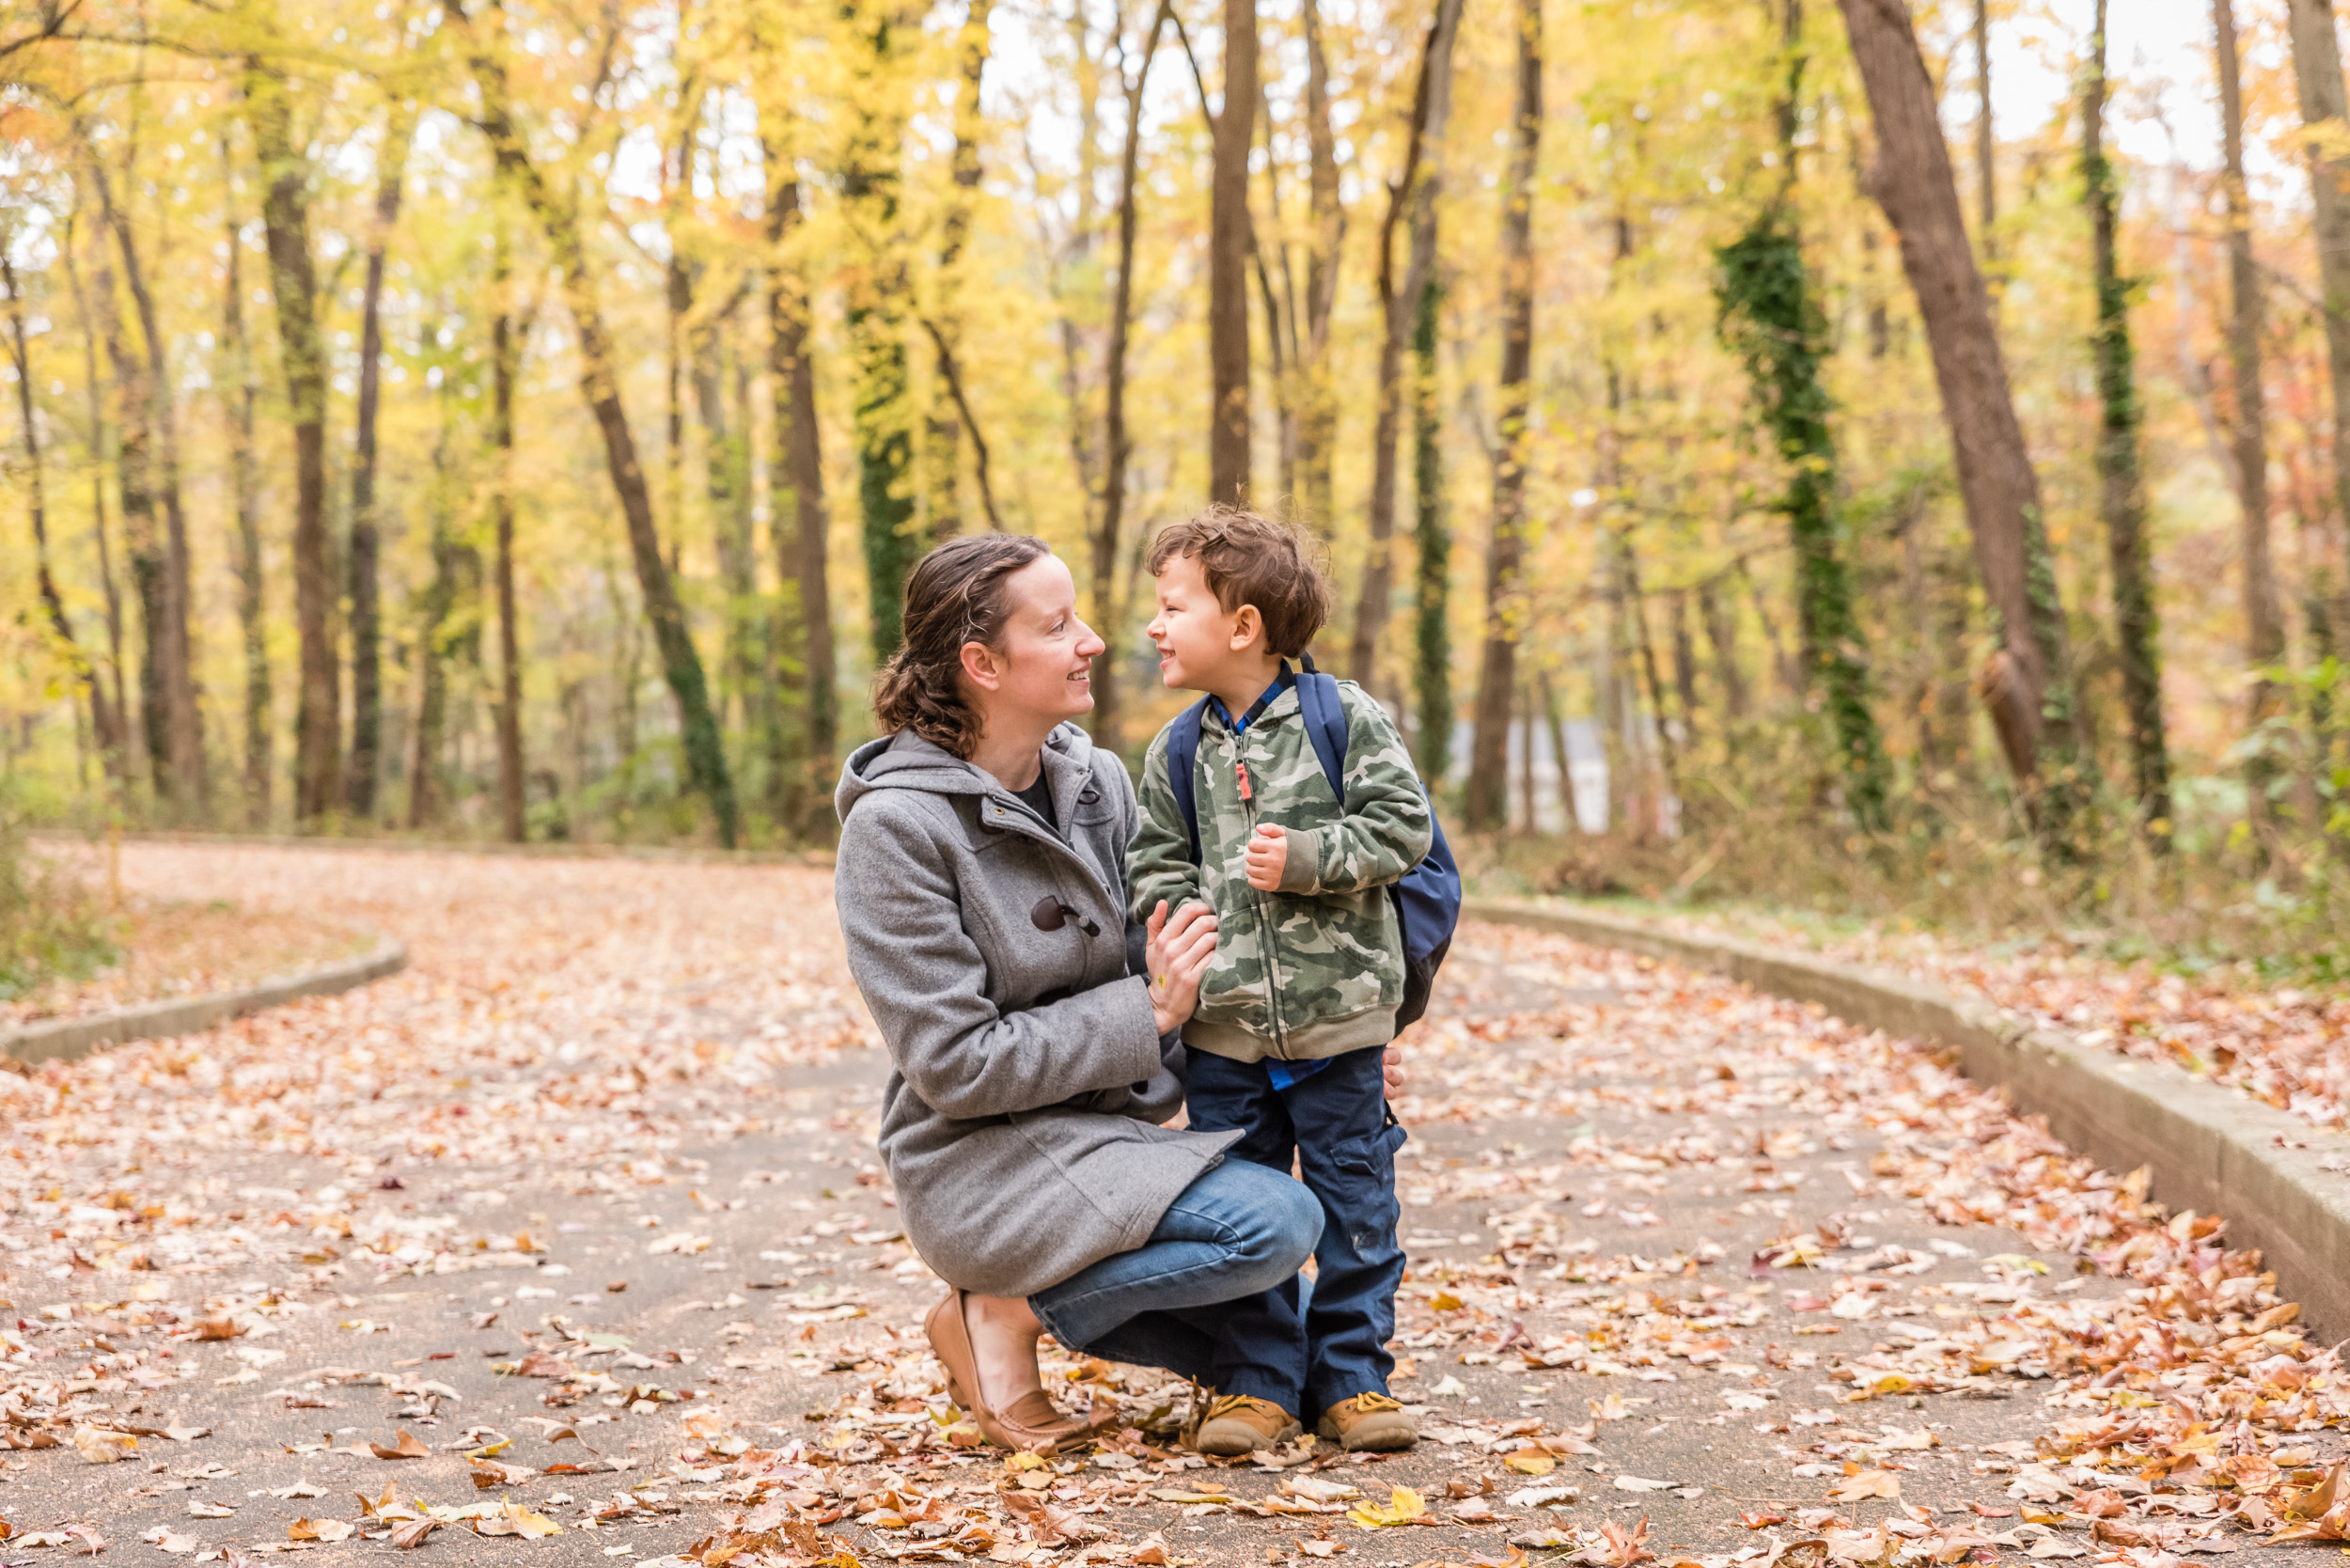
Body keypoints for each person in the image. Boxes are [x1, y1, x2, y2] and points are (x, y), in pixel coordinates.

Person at [831, 532, 1327, 1454]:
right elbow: (953, 1065)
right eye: (1058, 626)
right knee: (1277, 1223)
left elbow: (1176, 954)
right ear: (981, 663)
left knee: (1287, 1351)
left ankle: (1016, 1311)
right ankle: (1002, 1309)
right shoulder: (896, 830)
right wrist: (1143, 1015)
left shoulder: (1096, 780)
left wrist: (1310, 1040)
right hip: (983, 1162)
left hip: (1112, 1139)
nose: (1094, 640)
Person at [1128, 508, 1433, 1456]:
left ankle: (1351, 1378)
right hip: (1224, 1035)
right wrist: (1178, 925)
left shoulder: (1344, 720)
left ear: (1244, 626)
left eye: (1172, 606)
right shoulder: (1177, 751)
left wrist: (1306, 857)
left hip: (1339, 1024)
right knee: (1252, 1205)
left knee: (1354, 1202)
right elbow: (1152, 865)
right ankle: (1256, 1384)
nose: (1154, 625)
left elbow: (1401, 830)